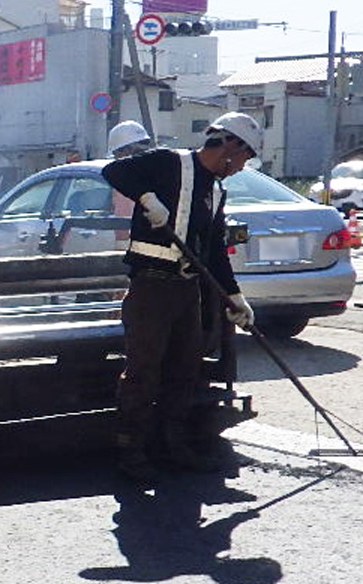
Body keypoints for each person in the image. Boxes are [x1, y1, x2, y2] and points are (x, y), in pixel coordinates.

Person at [101, 112, 261, 488]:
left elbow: (214, 250)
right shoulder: (167, 162)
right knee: (143, 372)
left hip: (187, 290)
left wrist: (235, 296)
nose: (241, 167)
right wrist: (147, 197)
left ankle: (173, 446)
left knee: (183, 371)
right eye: (244, 157)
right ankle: (131, 452)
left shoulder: (216, 191)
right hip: (151, 287)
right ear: (229, 145)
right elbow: (114, 172)